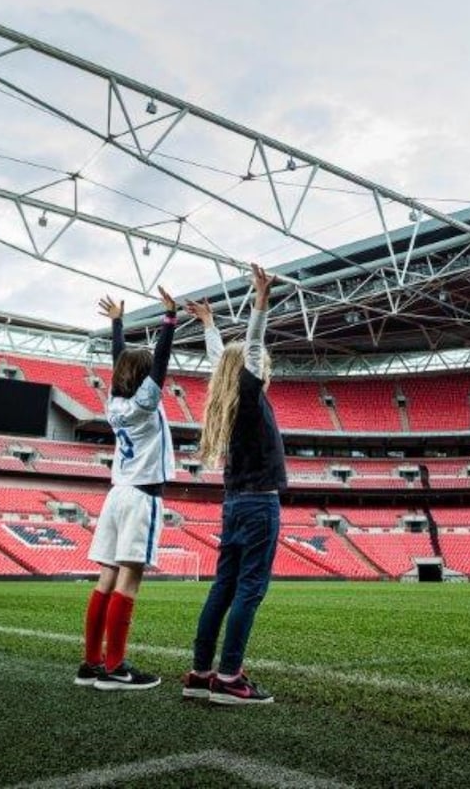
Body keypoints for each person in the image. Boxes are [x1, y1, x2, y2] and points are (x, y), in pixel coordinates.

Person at [182, 263, 286, 705]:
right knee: (248, 589)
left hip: (233, 504)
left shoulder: (226, 396)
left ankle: (201, 672)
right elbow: (254, 345)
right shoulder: (247, 393)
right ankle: (228, 679)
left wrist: (209, 324)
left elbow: (218, 360)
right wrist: (261, 300)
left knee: (223, 586)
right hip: (259, 506)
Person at [75, 285, 178, 691]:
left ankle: (91, 663)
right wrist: (169, 320)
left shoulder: (115, 404)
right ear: (143, 380)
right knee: (129, 579)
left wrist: (118, 323)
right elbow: (160, 365)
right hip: (141, 496)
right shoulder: (144, 403)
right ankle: (116, 668)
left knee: (107, 576)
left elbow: (123, 365)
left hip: (117, 494)